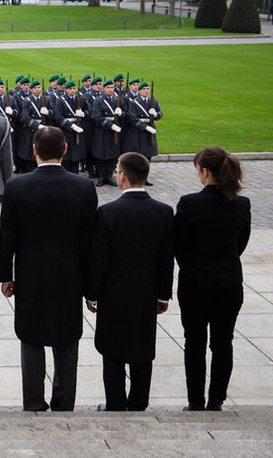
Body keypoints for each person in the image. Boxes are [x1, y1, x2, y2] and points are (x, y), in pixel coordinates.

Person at [0, 126, 98, 412]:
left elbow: (8, 238)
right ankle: (64, 402)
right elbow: (89, 241)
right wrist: (91, 287)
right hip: (69, 274)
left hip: (30, 273)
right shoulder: (83, 187)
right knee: (66, 338)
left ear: (34, 151)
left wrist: (5, 276)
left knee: (31, 337)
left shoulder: (17, 186)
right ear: (66, 150)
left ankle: (33, 401)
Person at [85, 152, 174, 412]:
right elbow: (166, 259)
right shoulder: (163, 212)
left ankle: (115, 403)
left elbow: (99, 259)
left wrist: (91, 294)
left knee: (112, 351)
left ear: (122, 176)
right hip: (146, 292)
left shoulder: (108, 212)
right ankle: (138, 403)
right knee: (142, 348)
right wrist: (163, 295)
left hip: (113, 292)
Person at [174, 146, 251, 412]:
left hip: (195, 282)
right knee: (223, 342)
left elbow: (179, 245)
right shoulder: (241, 204)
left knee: (194, 343)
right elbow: (239, 244)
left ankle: (195, 401)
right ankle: (216, 399)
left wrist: (192, 265)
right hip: (228, 282)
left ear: (205, 172)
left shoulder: (189, 203)